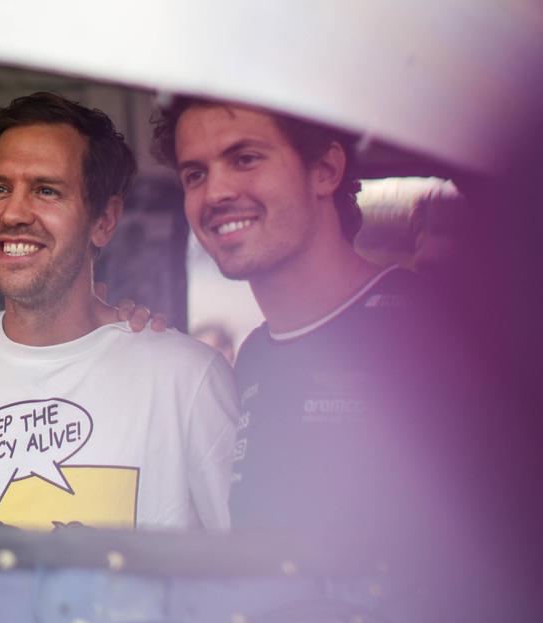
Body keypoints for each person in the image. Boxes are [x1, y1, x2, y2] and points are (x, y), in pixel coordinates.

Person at [0, 93, 237, 532]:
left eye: (46, 190)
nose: (14, 213)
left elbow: (257, 570)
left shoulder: (188, 378)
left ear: (104, 221)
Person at [151, 97, 463, 534]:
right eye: (195, 174)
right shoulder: (256, 354)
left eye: (244, 158)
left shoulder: (434, 329)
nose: (216, 192)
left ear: (325, 170)